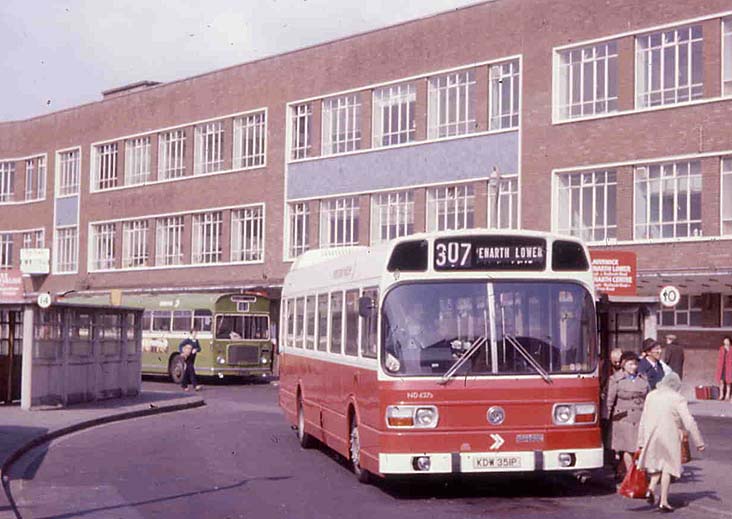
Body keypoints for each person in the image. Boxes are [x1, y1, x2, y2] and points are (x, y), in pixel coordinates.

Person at [637, 372, 705, 513]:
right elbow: (689, 421)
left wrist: (641, 440)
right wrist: (699, 442)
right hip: (669, 436)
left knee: (657, 465)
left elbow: (643, 419)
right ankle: (663, 501)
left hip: (651, 435)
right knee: (668, 468)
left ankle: (650, 489)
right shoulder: (677, 398)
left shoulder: (651, 395)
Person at [605, 351, 650, 477]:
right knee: (627, 447)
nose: (634, 367)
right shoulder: (616, 379)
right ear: (623, 365)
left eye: (635, 364)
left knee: (639, 447)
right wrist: (608, 418)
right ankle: (631, 475)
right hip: (623, 419)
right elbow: (609, 400)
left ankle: (637, 473)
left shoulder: (643, 378)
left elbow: (649, 397)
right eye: (630, 364)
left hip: (640, 418)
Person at [716, 336, 732, 401]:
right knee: (721, 381)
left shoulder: (731, 349)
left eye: (727, 340)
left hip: (729, 367)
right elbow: (719, 358)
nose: (726, 342)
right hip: (722, 367)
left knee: (728, 382)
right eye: (725, 341)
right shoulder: (721, 348)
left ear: (729, 341)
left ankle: (727, 395)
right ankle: (721, 395)